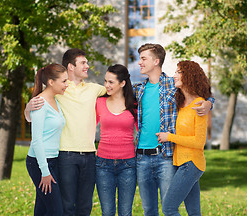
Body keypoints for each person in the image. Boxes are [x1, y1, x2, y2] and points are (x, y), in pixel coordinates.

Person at [133, 43, 214, 216]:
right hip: (142, 157)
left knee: (169, 207)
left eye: (143, 58)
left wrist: (209, 103)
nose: (139, 62)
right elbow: (115, 89)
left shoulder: (172, 85)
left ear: (156, 61)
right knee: (150, 210)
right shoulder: (138, 90)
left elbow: (203, 95)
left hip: (166, 156)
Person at [25, 48, 106, 216]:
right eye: (83, 62)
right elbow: (35, 120)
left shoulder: (94, 89)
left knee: (82, 207)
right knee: (63, 207)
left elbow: (117, 90)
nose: (87, 66)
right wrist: (27, 109)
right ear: (70, 66)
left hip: (88, 154)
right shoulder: (58, 90)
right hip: (63, 156)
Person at [157, 60, 211, 216]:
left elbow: (199, 142)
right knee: (194, 212)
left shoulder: (199, 104)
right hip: (182, 164)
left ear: (189, 75)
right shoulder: (180, 103)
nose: (174, 75)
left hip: (191, 163)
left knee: (169, 208)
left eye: (178, 72)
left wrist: (170, 137)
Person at [95, 64, 138, 216]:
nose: (106, 85)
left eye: (111, 82)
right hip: (102, 164)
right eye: (105, 81)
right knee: (107, 212)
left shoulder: (133, 104)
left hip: (128, 165)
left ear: (122, 83)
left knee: (125, 212)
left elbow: (142, 131)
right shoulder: (99, 102)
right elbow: (87, 127)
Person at [26, 63, 68, 216]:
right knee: (55, 211)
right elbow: (36, 140)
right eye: (63, 81)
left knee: (42, 208)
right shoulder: (40, 103)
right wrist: (44, 171)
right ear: (51, 82)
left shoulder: (55, 100)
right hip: (39, 163)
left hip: (53, 160)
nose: (66, 84)